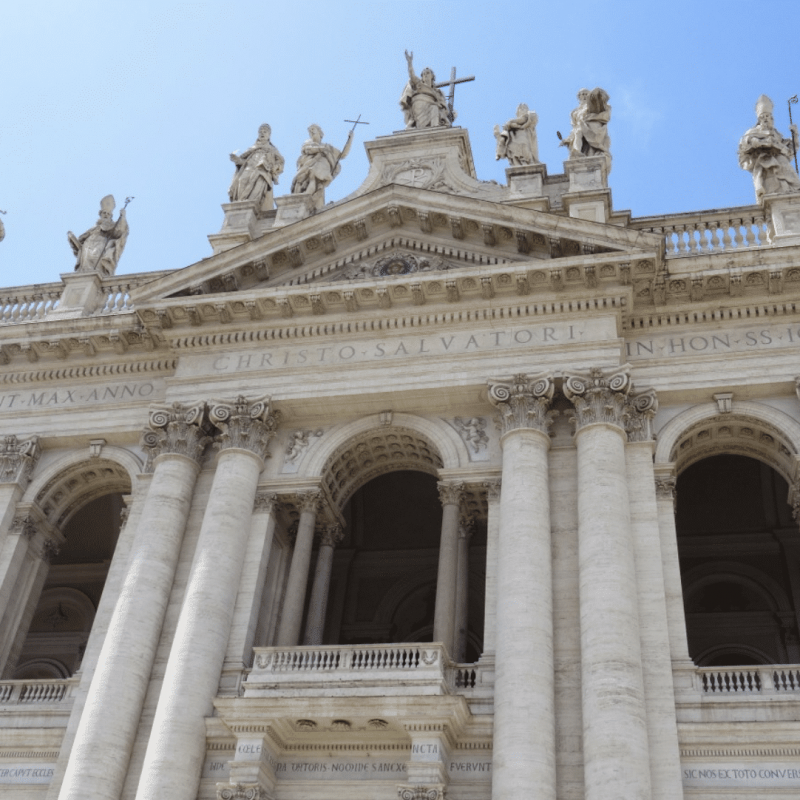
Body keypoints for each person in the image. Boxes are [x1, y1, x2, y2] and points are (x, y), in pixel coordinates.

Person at [738, 95, 800, 202]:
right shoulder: (753, 132)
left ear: (772, 119)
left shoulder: (777, 135)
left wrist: (795, 136)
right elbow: (747, 142)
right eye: (763, 117)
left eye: (768, 116)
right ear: (759, 120)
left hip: (781, 161)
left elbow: (790, 150)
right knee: (773, 186)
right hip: (765, 162)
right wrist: (762, 143)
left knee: (792, 180)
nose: (766, 119)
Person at [291, 124, 353, 210]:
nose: (311, 131)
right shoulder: (308, 143)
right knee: (309, 180)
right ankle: (305, 200)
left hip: (320, 169)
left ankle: (307, 200)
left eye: (313, 129)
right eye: (310, 131)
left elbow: (343, 155)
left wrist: (350, 139)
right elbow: (307, 149)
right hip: (308, 167)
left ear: (320, 133)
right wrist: (322, 149)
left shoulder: (328, 147)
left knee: (315, 180)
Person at [228, 124, 285, 212]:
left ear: (269, 135)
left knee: (257, 188)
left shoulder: (272, 149)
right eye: (260, 132)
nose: (262, 133)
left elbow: (280, 162)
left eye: (265, 132)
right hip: (249, 168)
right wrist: (237, 160)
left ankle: (250, 209)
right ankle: (240, 206)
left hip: (262, 171)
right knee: (241, 181)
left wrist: (273, 168)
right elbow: (244, 161)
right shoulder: (253, 147)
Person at [67, 195, 128, 276]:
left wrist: (122, 217)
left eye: (108, 214)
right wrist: (72, 239)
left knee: (96, 265)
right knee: (85, 267)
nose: (106, 215)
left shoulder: (112, 226)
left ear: (110, 216)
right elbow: (80, 243)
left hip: (100, 246)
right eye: (104, 213)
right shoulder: (94, 228)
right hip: (87, 248)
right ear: (100, 214)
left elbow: (118, 232)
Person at [399, 50, 451, 129]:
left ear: (432, 76)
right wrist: (409, 63)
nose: (425, 75)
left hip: (431, 107)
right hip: (418, 107)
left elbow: (442, 104)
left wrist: (444, 111)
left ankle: (435, 128)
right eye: (423, 74)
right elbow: (412, 75)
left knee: (434, 108)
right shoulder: (419, 84)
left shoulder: (437, 92)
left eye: (428, 73)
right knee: (434, 107)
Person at [560, 87, 611, 163]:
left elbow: (604, 111)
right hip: (580, 129)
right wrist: (568, 139)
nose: (584, 96)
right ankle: (576, 152)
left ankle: (577, 151)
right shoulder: (575, 112)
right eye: (582, 94)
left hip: (593, 127)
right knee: (578, 131)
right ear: (579, 97)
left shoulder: (593, 104)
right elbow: (574, 126)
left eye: (586, 94)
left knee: (579, 131)